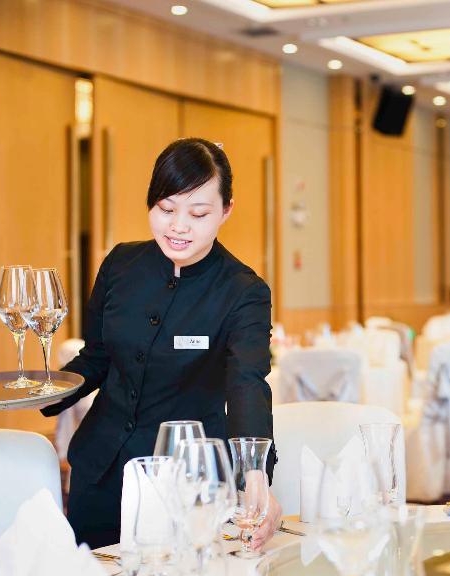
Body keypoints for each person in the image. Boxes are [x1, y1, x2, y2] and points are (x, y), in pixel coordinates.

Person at [42, 138, 281, 549]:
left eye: (198, 213)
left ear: (226, 210)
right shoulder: (121, 264)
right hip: (100, 472)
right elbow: (96, 357)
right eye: (166, 209)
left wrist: (254, 474)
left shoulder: (243, 291)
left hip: (185, 484)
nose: (178, 226)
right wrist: (47, 391)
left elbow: (247, 383)